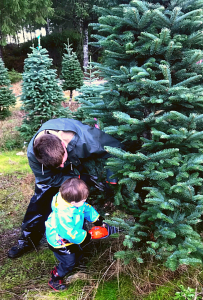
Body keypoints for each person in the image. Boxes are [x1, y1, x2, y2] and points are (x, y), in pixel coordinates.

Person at [7, 118, 123, 258]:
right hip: (53, 174)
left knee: (79, 199)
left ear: (63, 144)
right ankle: (27, 240)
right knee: (40, 201)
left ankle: (79, 238)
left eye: (62, 162)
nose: (62, 167)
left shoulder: (86, 138)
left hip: (79, 164)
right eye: (58, 166)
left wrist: (111, 178)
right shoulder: (34, 154)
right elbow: (47, 179)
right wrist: (74, 178)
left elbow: (115, 148)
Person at [46, 177, 104, 291]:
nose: (85, 201)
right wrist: (87, 236)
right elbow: (68, 233)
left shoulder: (74, 201)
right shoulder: (63, 213)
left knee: (77, 252)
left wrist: (97, 219)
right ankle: (55, 277)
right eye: (83, 200)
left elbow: (86, 208)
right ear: (73, 202)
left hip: (71, 236)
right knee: (69, 261)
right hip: (60, 240)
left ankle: (75, 259)